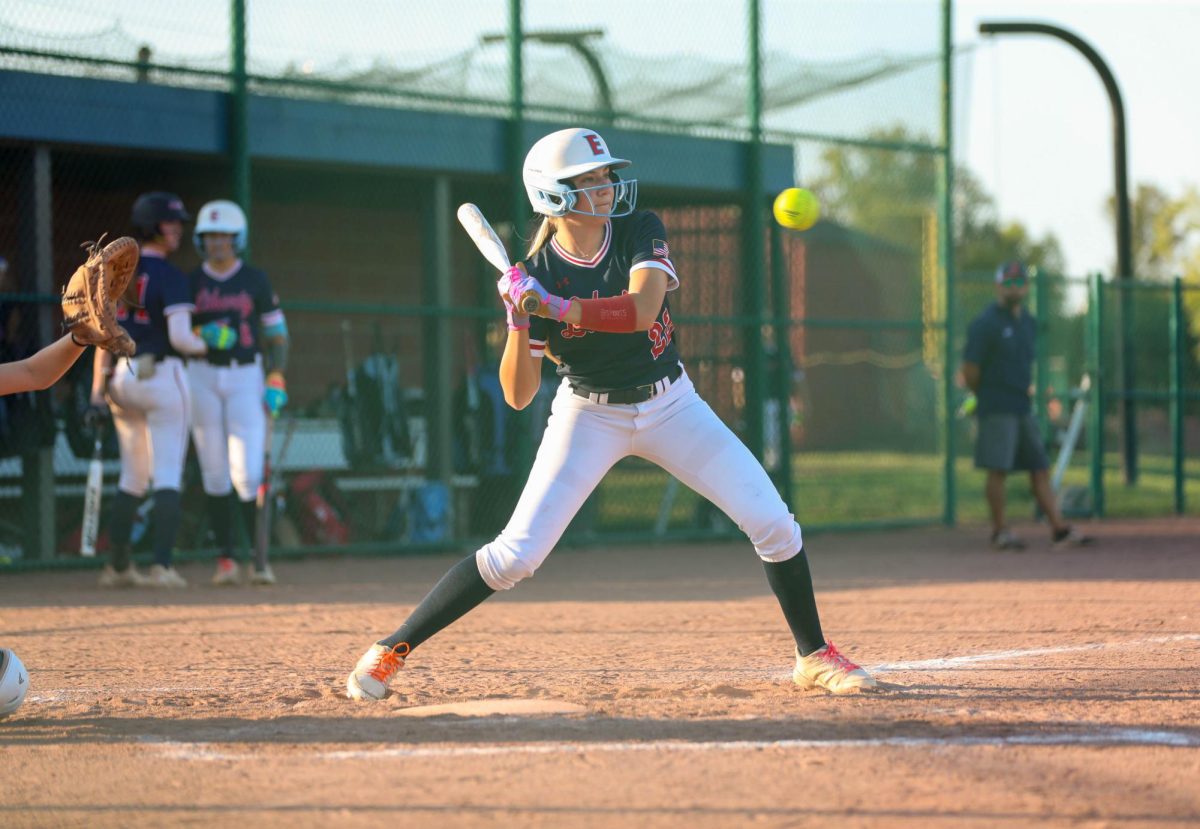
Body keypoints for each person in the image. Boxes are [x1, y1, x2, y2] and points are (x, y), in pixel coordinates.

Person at [347, 127, 876, 701]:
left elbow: (644, 309)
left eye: (604, 177)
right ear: (553, 195)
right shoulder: (536, 274)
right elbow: (519, 394)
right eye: (589, 181)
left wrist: (554, 305)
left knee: (774, 524)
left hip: (671, 404)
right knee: (514, 557)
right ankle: (389, 650)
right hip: (588, 413)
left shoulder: (636, 230)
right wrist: (520, 321)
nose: (606, 188)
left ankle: (813, 655)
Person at [89, 193, 237, 588]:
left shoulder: (117, 274)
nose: (177, 230)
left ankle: (117, 567)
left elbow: (103, 337)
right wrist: (212, 341)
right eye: (170, 223)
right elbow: (181, 338)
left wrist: (95, 393)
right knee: (167, 473)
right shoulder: (171, 275)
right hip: (163, 376)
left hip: (121, 377)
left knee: (133, 476)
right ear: (153, 226)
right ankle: (162, 566)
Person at [188, 200, 289, 586]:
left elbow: (277, 335)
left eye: (225, 236)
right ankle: (226, 560)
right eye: (210, 236)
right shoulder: (191, 282)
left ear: (237, 239)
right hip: (202, 374)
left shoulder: (255, 280)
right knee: (214, 473)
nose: (217, 243)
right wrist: (201, 335)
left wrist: (276, 376)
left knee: (247, 472)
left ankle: (257, 559)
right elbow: (175, 333)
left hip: (247, 373)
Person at [961, 261, 1094, 551]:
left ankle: (1059, 529)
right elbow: (970, 370)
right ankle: (1000, 531)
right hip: (996, 407)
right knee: (998, 470)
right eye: (1007, 282)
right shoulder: (986, 323)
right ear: (997, 286)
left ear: (1026, 286)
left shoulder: (1028, 324)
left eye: (1018, 282)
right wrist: (985, 394)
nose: (1014, 287)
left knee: (1039, 468)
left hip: (1022, 406)